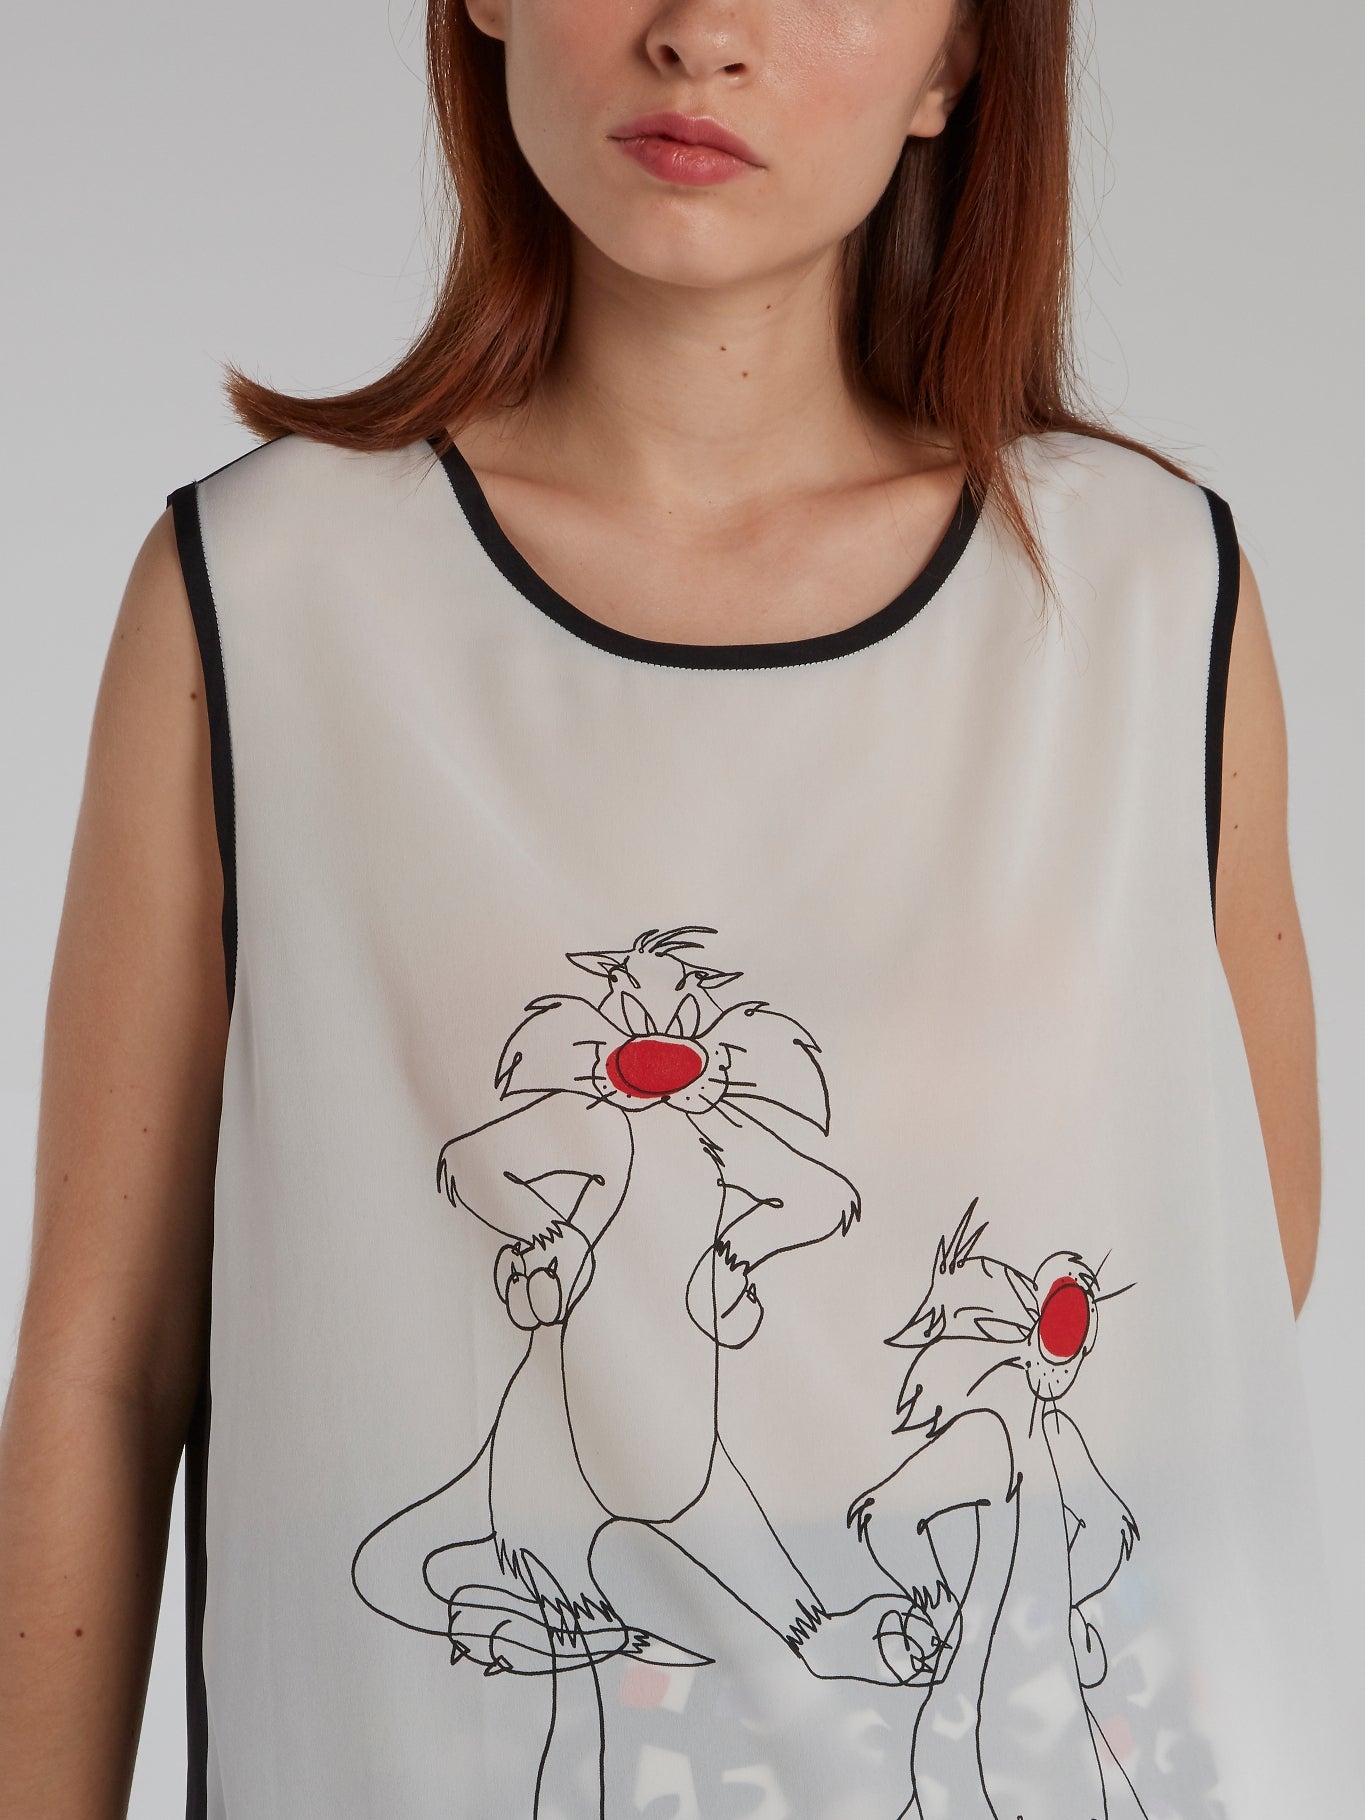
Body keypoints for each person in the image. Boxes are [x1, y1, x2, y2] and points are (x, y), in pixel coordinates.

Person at [0, 1, 1351, 1816]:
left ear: (955, 62)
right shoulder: (266, 591)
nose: (702, 34)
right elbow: (104, 1371)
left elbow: (1220, 1295)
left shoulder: (1142, 593)